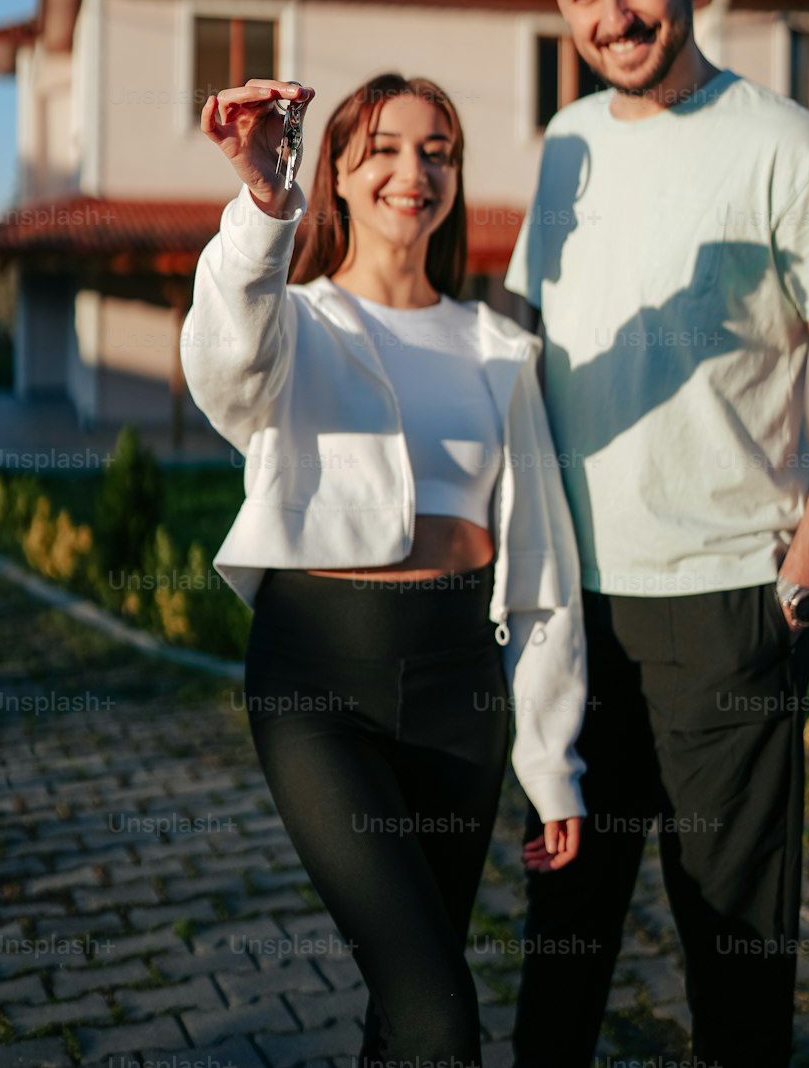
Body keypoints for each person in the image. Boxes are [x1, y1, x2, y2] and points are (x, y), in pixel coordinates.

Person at [504, 0, 809, 1068]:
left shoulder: (791, 148)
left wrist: (800, 587)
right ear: (557, 1)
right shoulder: (564, 147)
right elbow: (526, 354)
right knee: (560, 947)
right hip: (571, 615)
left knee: (731, 960)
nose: (612, 17)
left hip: (728, 608)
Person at [179, 70, 587, 1068]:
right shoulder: (298, 325)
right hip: (320, 683)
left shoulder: (500, 348)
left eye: (437, 150)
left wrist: (554, 765)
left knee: (406, 1014)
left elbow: (539, 571)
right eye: (386, 149)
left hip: (461, 690)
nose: (416, 170)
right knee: (441, 1010)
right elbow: (224, 365)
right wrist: (266, 206)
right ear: (342, 178)